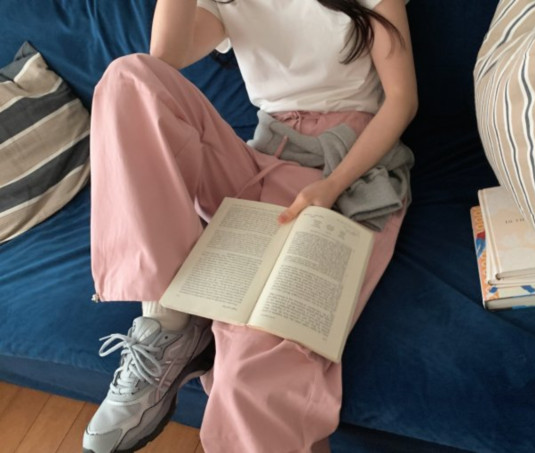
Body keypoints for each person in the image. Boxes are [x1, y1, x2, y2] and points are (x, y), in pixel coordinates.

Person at [82, 0, 417, 452]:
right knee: (130, 77)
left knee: (250, 367)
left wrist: (333, 185)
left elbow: (402, 101)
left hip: (346, 168)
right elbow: (162, 61)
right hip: (259, 158)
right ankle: (167, 325)